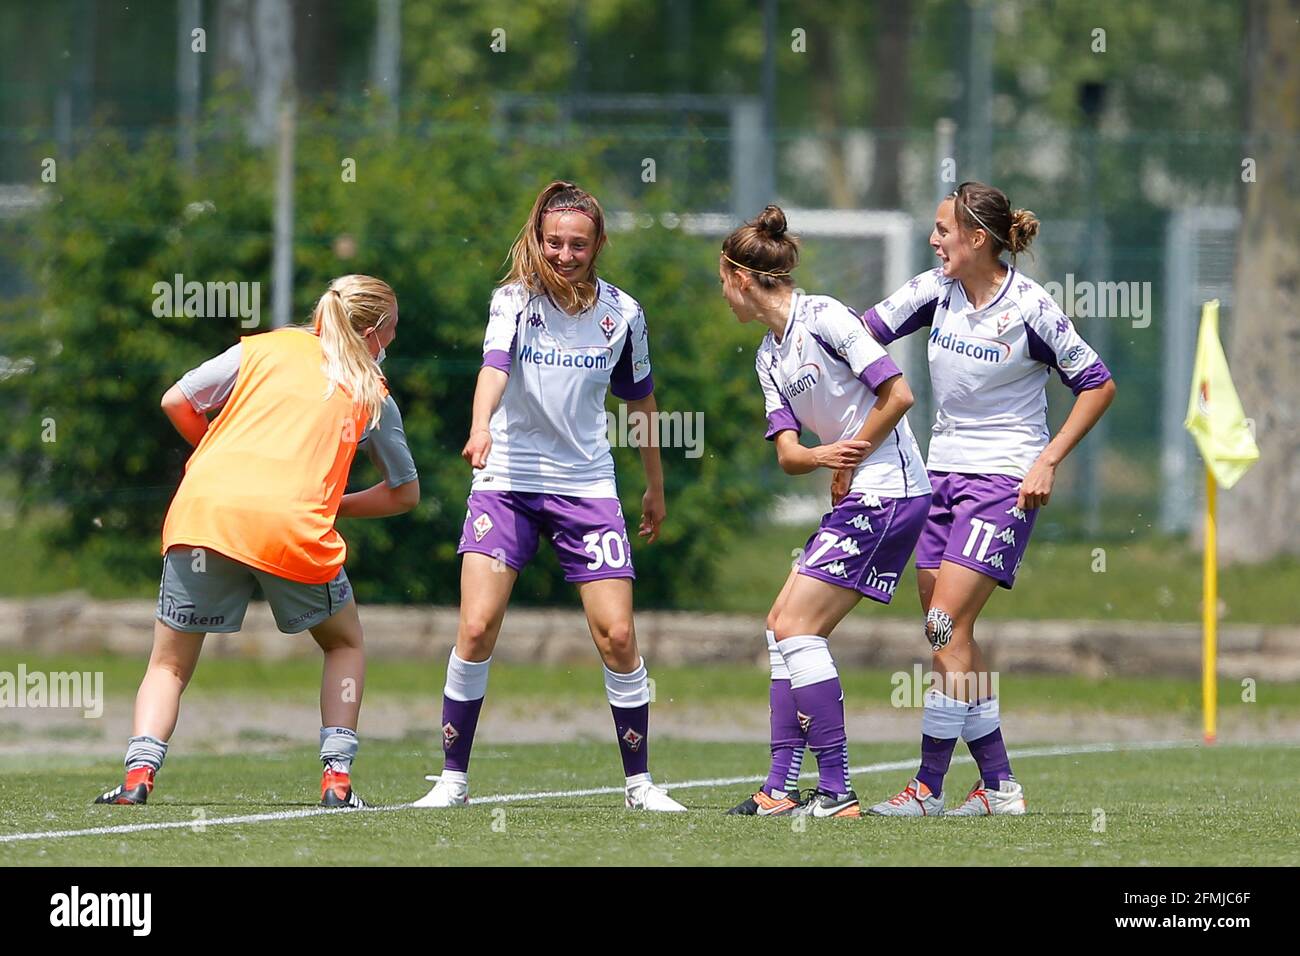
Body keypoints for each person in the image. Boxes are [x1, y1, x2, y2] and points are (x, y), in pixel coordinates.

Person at [94, 274, 419, 810]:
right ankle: (336, 780)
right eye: (392, 332)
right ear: (373, 334)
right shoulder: (370, 388)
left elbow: (176, 399)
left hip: (205, 514)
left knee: (169, 664)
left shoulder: (261, 349)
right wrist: (331, 502)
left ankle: (137, 776)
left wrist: (226, 461)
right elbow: (404, 493)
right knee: (344, 644)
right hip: (291, 529)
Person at [414, 181, 684, 812]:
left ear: (598, 246)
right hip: (506, 481)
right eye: (554, 242)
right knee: (477, 626)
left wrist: (654, 485)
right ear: (537, 238)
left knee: (617, 635)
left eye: (578, 245)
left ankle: (639, 785)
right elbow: (495, 366)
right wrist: (481, 425)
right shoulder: (513, 300)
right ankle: (452, 778)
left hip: (586, 488)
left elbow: (640, 401)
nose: (564, 255)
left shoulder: (624, 314)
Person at [862, 182, 1116, 816]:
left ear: (977, 239)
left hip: (1002, 483)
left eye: (943, 230)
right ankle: (1000, 786)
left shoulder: (1031, 307)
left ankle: (927, 788)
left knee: (944, 624)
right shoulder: (934, 291)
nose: (933, 240)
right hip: (938, 477)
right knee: (948, 633)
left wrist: (1047, 460)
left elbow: (1097, 383)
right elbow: (860, 335)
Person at [719, 206, 932, 819]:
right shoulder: (768, 355)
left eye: (721, 280)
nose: (722, 293)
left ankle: (837, 791)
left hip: (891, 492)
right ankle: (781, 789)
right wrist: (822, 458)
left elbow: (899, 393)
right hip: (860, 494)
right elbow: (788, 455)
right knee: (779, 624)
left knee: (797, 629)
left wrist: (851, 456)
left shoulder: (826, 317)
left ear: (740, 277)